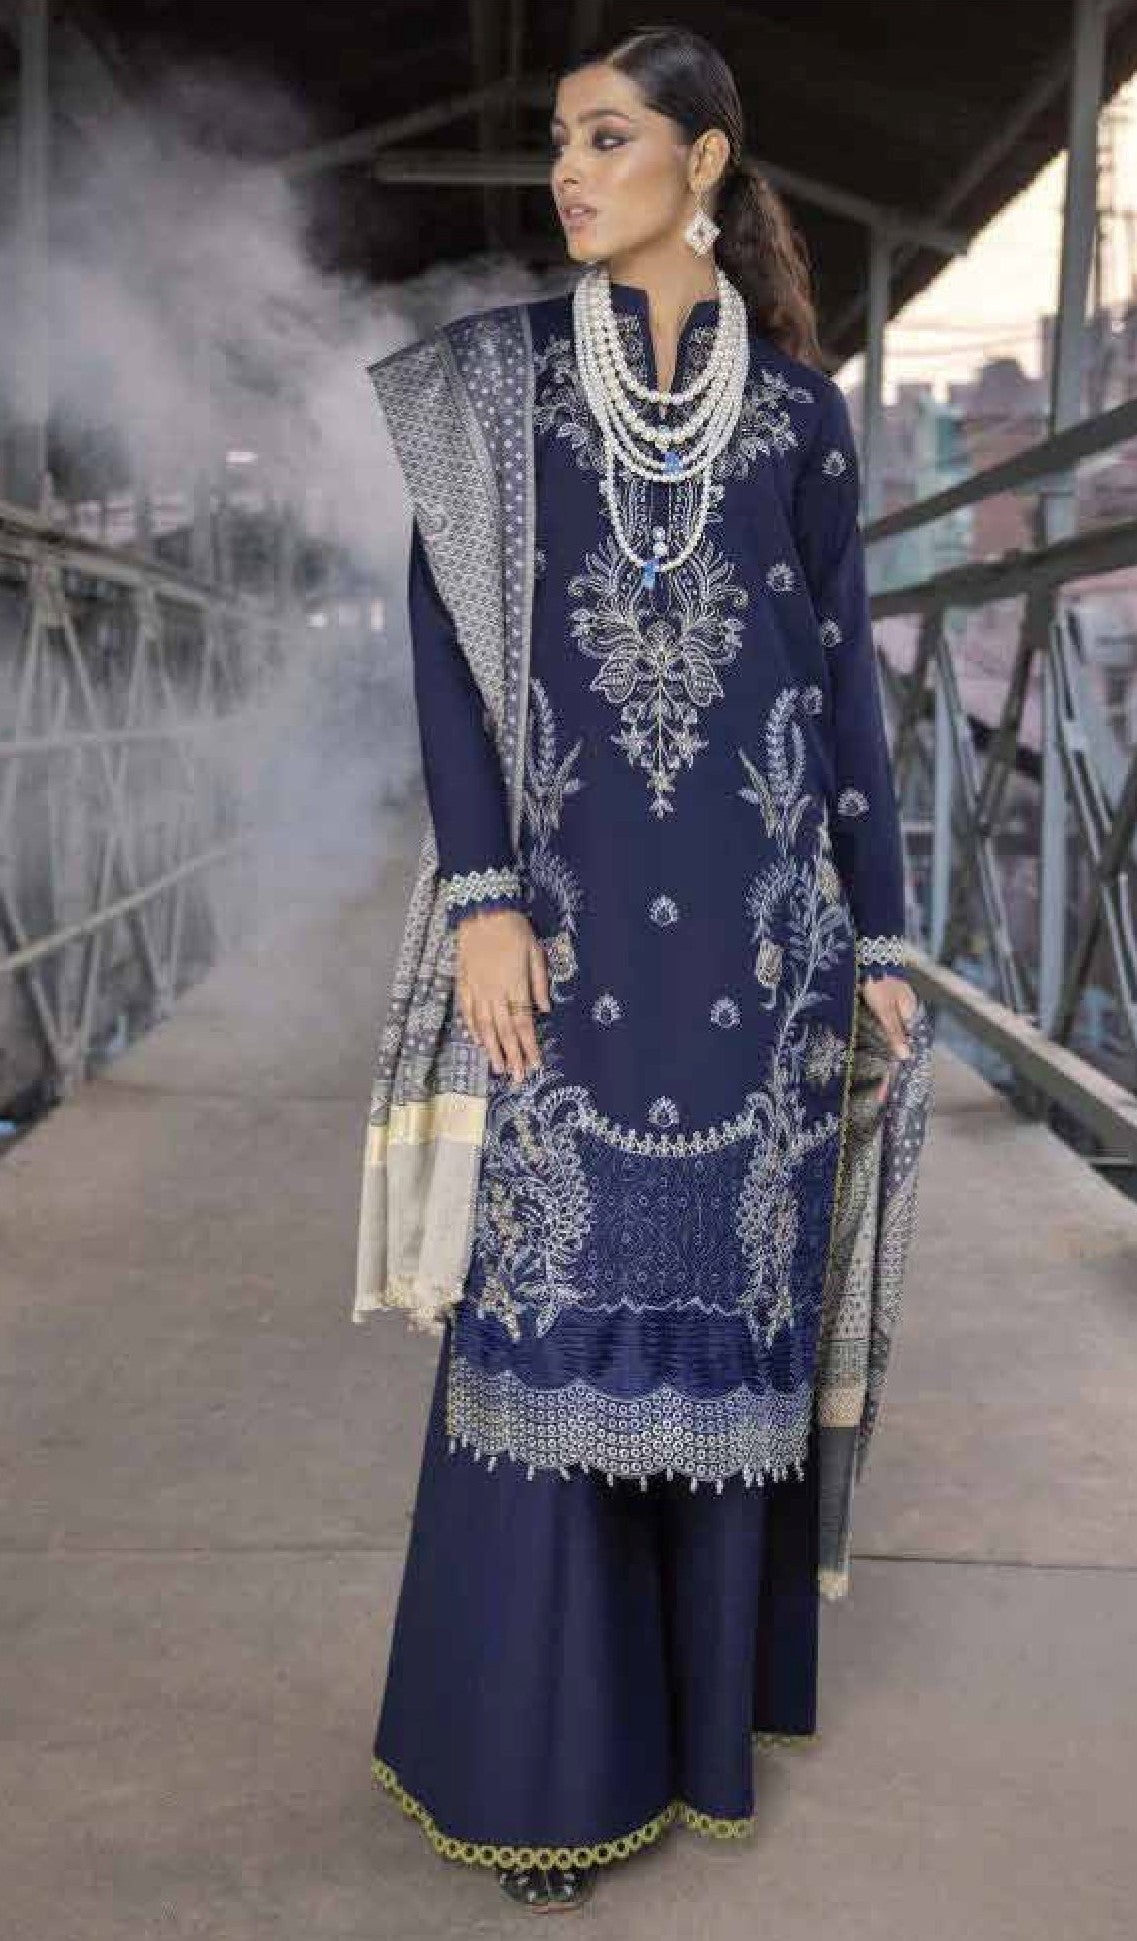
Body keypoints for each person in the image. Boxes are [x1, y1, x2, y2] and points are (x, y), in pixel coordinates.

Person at [363, 22, 921, 1912]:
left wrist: (886, 924)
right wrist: (481, 896)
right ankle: (533, 1773)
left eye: (605, 138)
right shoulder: (502, 394)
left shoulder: (795, 418)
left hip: (762, 958)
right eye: (555, 142)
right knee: (543, 1323)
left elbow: (843, 675)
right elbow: (442, 652)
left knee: (719, 1331)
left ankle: (691, 1738)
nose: (566, 172)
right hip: (568, 945)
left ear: (701, 163)